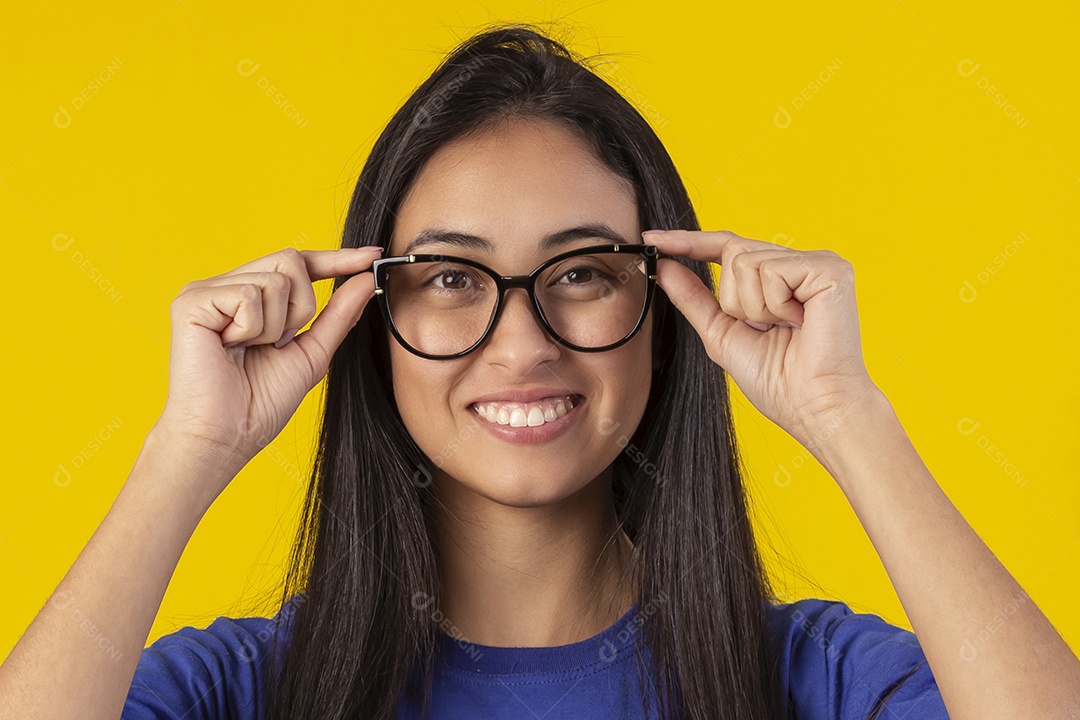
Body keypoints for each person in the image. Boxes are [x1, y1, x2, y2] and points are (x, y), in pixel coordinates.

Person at [2, 22, 1077, 720]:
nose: (523, 345)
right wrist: (185, 453)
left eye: (582, 273)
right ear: (373, 323)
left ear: (664, 308)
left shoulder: (814, 682)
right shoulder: (245, 693)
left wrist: (849, 415)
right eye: (454, 280)